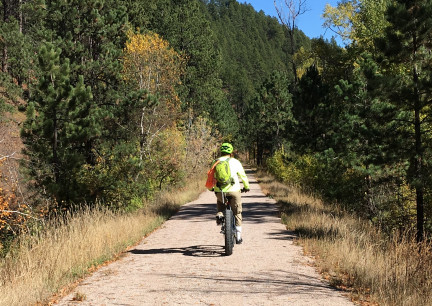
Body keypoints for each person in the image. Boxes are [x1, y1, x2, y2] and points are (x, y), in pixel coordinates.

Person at [210, 142, 250, 244]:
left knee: (220, 202)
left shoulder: (215, 162)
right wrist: (246, 187)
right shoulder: (235, 162)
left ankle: (220, 214)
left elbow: (211, 177)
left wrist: (211, 188)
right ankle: (238, 237)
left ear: (221, 152)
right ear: (231, 152)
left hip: (220, 191)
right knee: (237, 212)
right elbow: (243, 176)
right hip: (234, 191)